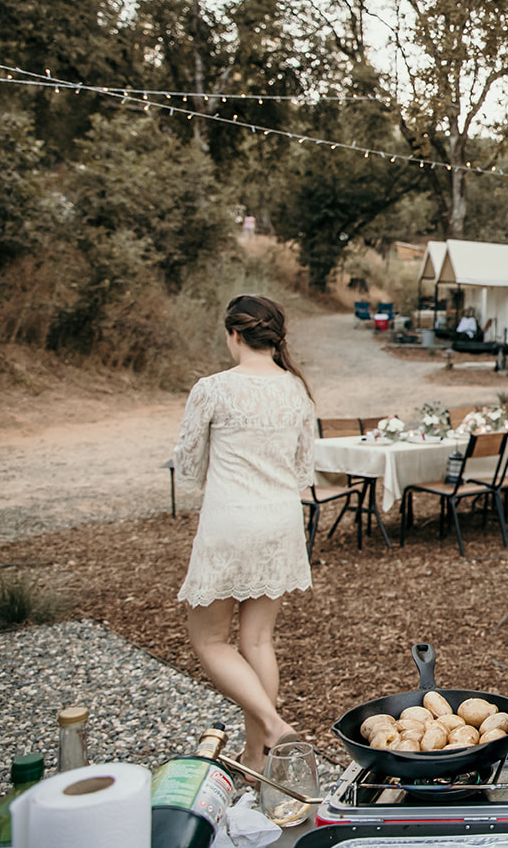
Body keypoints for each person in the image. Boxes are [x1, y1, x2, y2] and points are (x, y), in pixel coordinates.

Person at [174, 295, 314, 774]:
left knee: (210, 641)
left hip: (231, 520)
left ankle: (273, 728)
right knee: (257, 642)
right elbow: (303, 471)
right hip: (280, 523)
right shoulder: (296, 389)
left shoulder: (212, 389)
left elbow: (189, 466)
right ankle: (256, 758)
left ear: (234, 334)